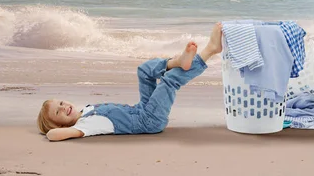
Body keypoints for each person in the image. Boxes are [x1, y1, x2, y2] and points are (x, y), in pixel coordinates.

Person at [36, 23, 223, 141]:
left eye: (60, 103)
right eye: (58, 112)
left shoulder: (85, 110)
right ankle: (210, 50)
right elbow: (53, 136)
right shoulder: (82, 126)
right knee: (169, 82)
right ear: (60, 125)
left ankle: (177, 62)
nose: (64, 107)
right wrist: (52, 131)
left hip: (141, 109)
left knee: (144, 71)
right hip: (148, 122)